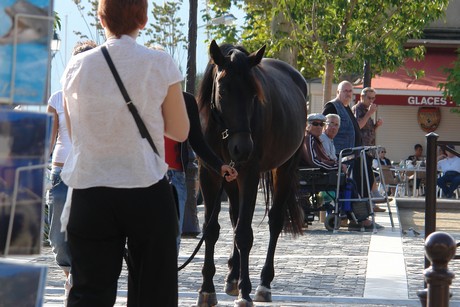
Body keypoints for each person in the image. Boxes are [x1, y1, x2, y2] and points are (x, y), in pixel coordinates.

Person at [60, 1, 190, 305]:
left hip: (89, 186)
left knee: (88, 291)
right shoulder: (158, 63)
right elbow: (180, 131)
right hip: (144, 185)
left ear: (102, 18)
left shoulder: (76, 65)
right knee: (154, 292)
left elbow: (73, 128)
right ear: (143, 19)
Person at [45, 40, 96, 302]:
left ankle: (80, 280)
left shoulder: (102, 98)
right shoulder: (57, 97)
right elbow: (49, 139)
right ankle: (70, 276)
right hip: (62, 172)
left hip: (91, 173)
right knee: (57, 235)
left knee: (89, 230)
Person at [166, 92, 238, 244]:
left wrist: (219, 166)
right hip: (145, 176)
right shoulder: (138, 94)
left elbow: (197, 141)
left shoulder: (185, 101)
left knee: (172, 240)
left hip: (175, 178)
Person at [300, 113, 383, 231]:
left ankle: (357, 217)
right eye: (315, 124)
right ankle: (357, 218)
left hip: (321, 173)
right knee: (349, 184)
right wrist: (336, 166)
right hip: (314, 175)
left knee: (349, 183)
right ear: (308, 126)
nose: (319, 126)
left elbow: (325, 159)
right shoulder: (309, 139)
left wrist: (337, 165)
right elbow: (315, 162)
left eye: (321, 124)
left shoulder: (316, 140)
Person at [322, 81, 381, 209]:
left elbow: (355, 129)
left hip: (353, 154)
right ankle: (355, 213)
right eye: (345, 91)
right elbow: (324, 129)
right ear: (338, 92)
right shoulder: (332, 106)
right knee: (351, 185)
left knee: (359, 183)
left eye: (350, 91)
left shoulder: (346, 107)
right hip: (340, 155)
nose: (348, 94)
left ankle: (362, 210)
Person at [352, 87, 390, 210]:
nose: (371, 101)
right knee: (364, 177)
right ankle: (371, 202)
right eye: (369, 98)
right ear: (361, 97)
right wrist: (369, 113)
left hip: (368, 149)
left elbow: (367, 130)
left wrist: (376, 126)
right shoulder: (358, 109)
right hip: (361, 149)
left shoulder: (366, 109)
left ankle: (373, 201)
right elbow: (358, 126)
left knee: (368, 174)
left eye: (373, 98)